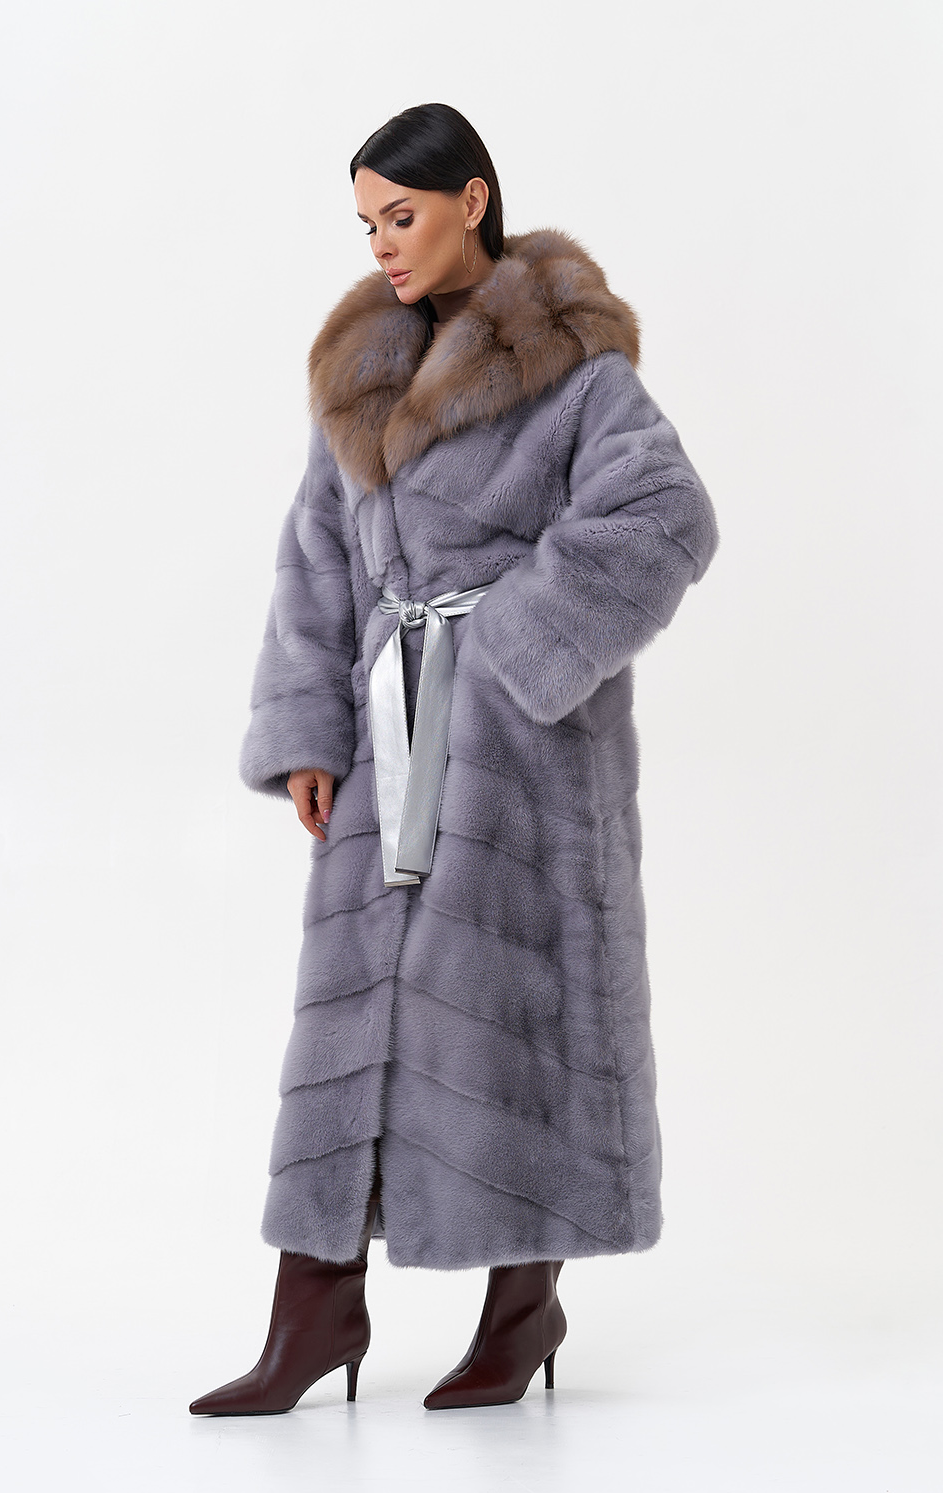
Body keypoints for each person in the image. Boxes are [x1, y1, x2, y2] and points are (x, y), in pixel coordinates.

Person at [190, 101, 720, 1417]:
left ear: (472, 201)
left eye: (403, 215)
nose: (382, 243)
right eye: (367, 222)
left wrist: (511, 650)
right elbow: (316, 558)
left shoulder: (577, 372)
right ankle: (314, 1311)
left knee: (511, 1018)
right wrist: (307, 731)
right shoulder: (359, 379)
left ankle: (522, 1304)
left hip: (522, 759)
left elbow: (666, 512)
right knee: (356, 1013)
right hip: (384, 738)